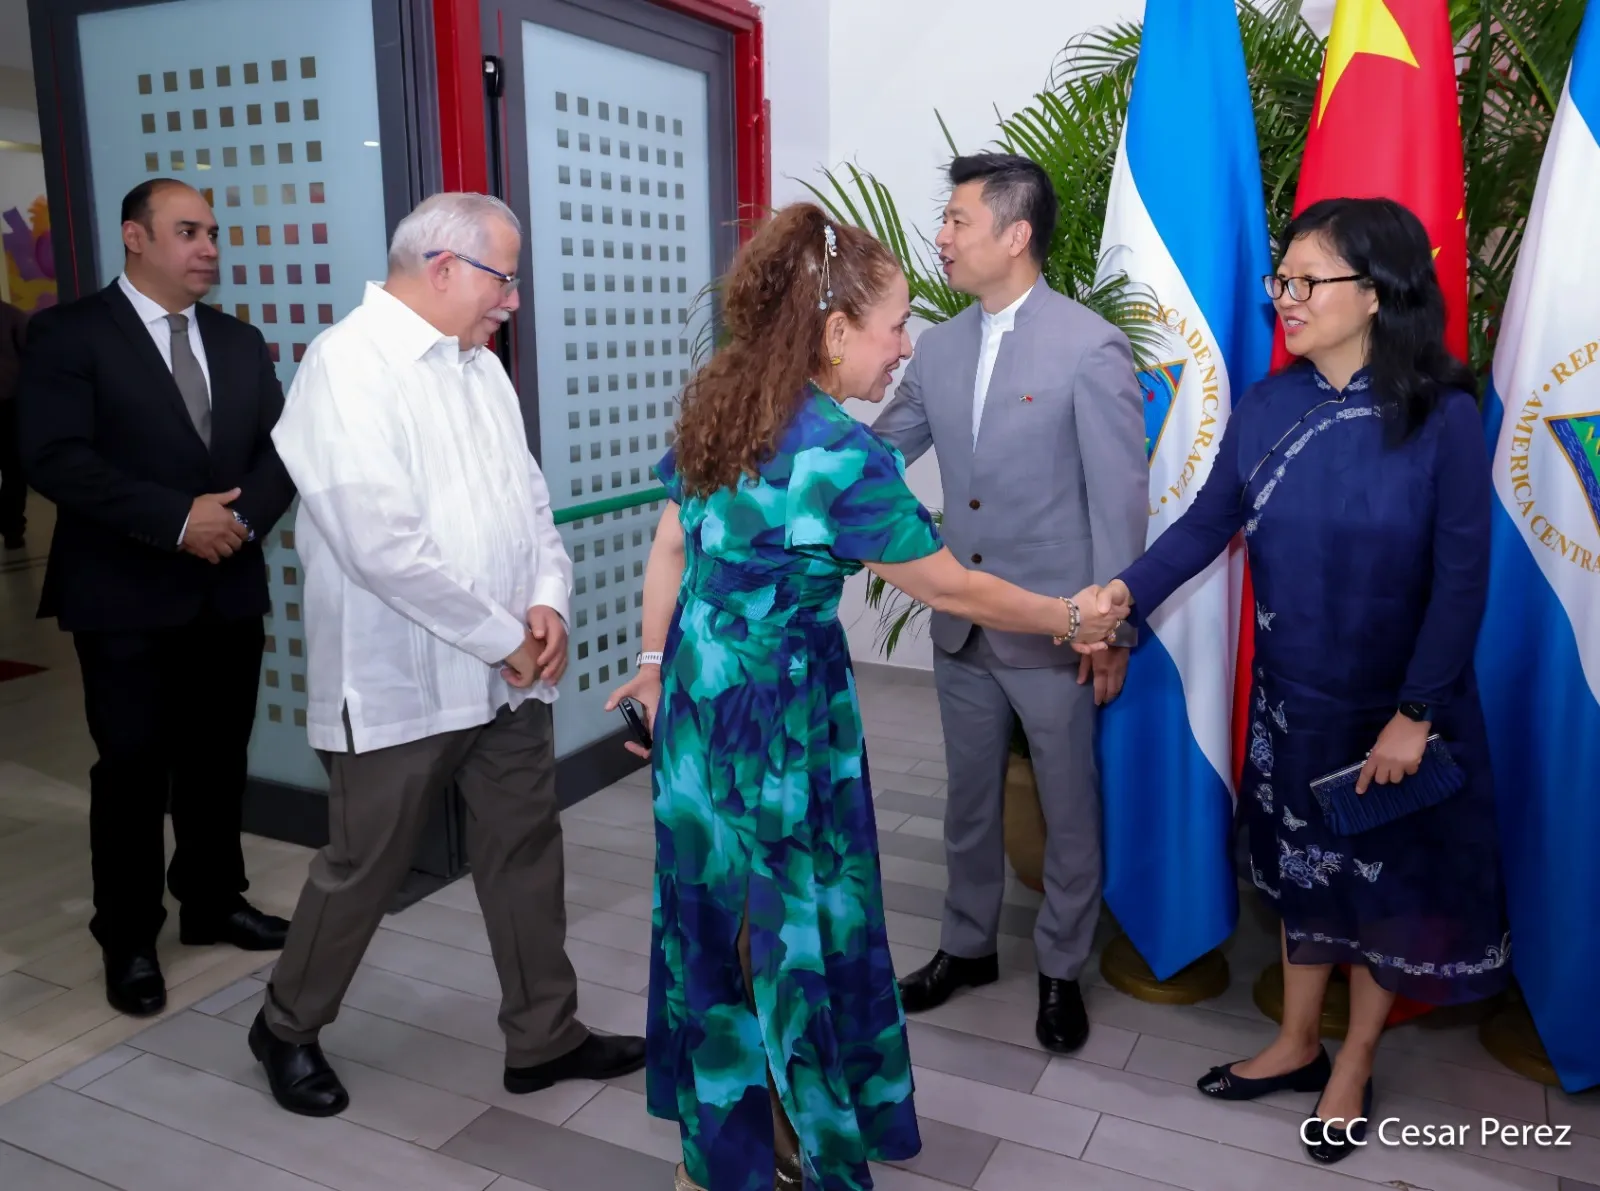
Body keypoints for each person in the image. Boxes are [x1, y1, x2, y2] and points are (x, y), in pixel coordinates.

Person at [604, 202, 1120, 1191]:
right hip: (780, 729)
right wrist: (1070, 618)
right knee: (794, 936)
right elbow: (952, 587)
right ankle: (786, 1152)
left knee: (717, 928)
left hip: (699, 712)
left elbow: (672, 541)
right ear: (834, 332)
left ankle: (719, 1155)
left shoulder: (719, 399)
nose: (904, 348)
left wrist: (649, 659)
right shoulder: (839, 455)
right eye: (892, 325)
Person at [1092, 197, 1508, 1164]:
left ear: (1377, 293)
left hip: (1396, 713)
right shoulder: (1270, 402)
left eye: (1305, 280)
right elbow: (1204, 527)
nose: (1284, 296)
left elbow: (1461, 580)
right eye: (1282, 277)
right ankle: (1292, 1040)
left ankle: (1355, 1058)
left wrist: (1415, 714)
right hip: (1292, 702)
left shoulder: (1442, 417)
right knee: (1305, 876)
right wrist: (1121, 591)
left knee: (1380, 886)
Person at [252, 192, 645, 1118]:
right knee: (367, 866)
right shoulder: (347, 365)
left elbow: (531, 506)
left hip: (507, 682)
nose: (512, 297)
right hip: (400, 681)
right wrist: (505, 635)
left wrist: (546, 601)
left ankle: (544, 1036)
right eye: (503, 277)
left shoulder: (480, 370)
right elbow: (377, 543)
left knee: (524, 851)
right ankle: (287, 1023)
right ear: (442, 267)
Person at [871, 153, 1148, 1053]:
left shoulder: (1089, 344)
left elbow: (1118, 500)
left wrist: (1111, 628)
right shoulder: (939, 346)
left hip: (1060, 627)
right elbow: (878, 457)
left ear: (1014, 234)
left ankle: (1062, 965)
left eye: (956, 221)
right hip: (962, 626)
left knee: (1070, 802)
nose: (940, 238)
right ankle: (967, 943)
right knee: (966, 799)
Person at [18, 179, 296, 1017]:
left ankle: (213, 900)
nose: (209, 246)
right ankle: (129, 934)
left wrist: (235, 523)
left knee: (218, 760)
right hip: (124, 595)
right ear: (135, 237)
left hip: (226, 588)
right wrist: (177, 520)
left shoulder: (240, 343)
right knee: (133, 769)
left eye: (212, 231)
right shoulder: (70, 335)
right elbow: (54, 456)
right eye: (188, 231)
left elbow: (282, 455)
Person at [1, 297, 30, 550]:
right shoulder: (11, 315)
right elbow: (30, 356)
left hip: (9, 402)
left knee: (13, 472)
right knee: (13, 472)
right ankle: (12, 530)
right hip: (8, 403)